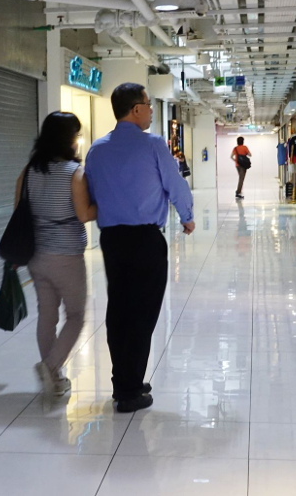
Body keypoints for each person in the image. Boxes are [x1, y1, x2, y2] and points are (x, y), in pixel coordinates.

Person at [85, 83, 195, 413]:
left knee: (119, 309)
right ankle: (130, 390)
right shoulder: (154, 144)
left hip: (112, 241)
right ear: (135, 109)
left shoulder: (97, 149)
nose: (150, 111)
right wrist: (187, 216)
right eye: (148, 105)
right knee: (142, 312)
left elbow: (93, 195)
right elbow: (174, 183)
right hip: (145, 240)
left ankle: (125, 380)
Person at [14, 112, 97, 396]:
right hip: (67, 257)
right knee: (75, 316)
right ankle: (50, 366)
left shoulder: (27, 173)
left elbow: (18, 214)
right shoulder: (75, 173)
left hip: (37, 256)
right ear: (68, 139)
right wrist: (106, 204)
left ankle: (55, 377)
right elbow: (84, 214)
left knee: (46, 315)